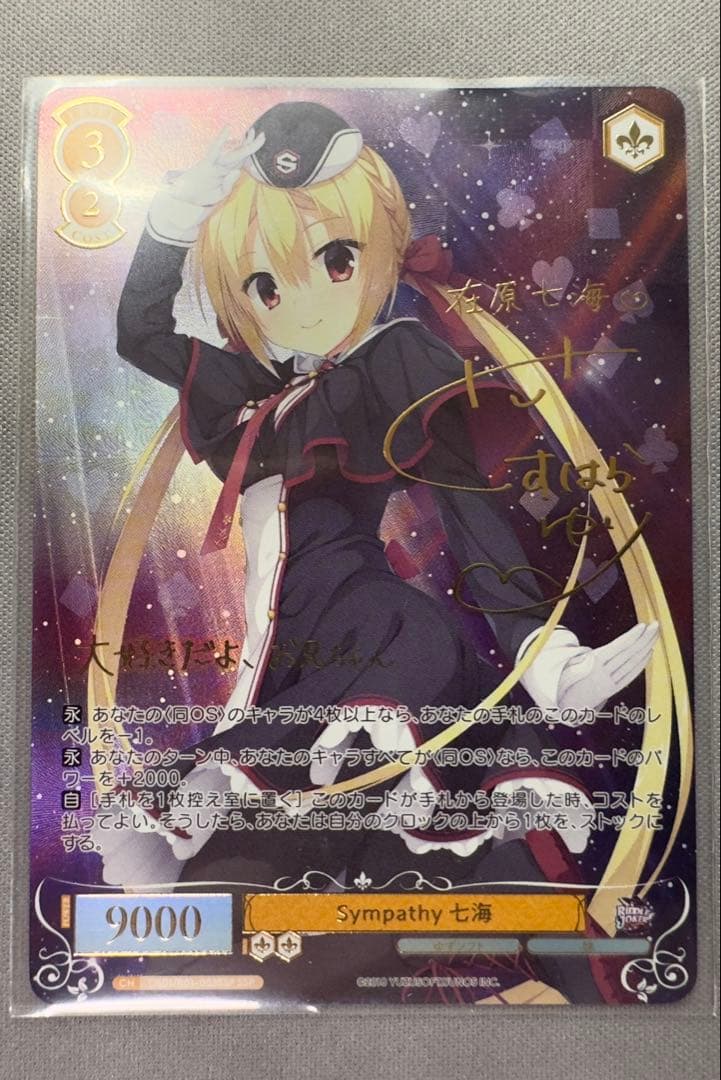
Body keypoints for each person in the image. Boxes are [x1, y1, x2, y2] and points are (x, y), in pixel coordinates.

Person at [94, 102, 665, 1002]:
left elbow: (466, 507)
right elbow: (139, 330)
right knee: (262, 853)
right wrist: (178, 213)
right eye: (266, 283)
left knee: (425, 717)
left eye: (337, 260)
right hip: (291, 658)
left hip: (372, 621)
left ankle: (570, 984)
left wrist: (540, 648)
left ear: (381, 256)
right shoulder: (234, 381)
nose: (306, 298)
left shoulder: (393, 361)